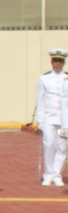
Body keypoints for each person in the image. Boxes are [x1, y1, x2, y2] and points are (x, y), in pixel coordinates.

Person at [34, 48, 67, 186]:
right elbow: (40, 100)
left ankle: (57, 174)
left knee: (62, 147)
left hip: (64, 118)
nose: (58, 63)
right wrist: (39, 120)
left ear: (64, 62)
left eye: (60, 61)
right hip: (49, 117)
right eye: (55, 61)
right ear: (51, 62)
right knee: (48, 145)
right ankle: (48, 174)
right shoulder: (44, 78)